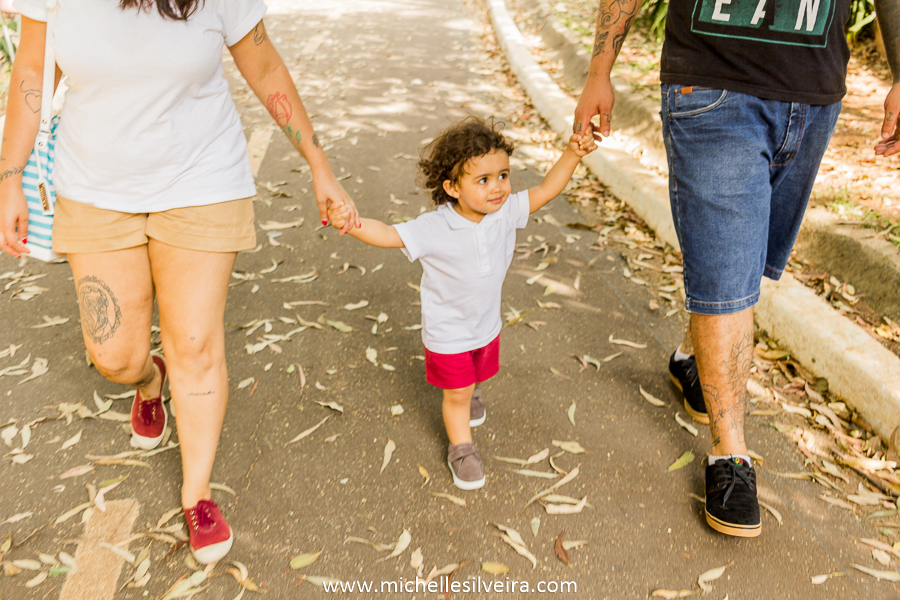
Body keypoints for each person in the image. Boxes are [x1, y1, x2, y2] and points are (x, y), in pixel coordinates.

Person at [0, 0, 358, 563]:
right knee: (114, 357)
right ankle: (148, 379)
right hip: (93, 189)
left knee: (193, 342)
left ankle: (197, 493)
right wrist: (9, 177)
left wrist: (320, 165)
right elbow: (31, 72)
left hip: (202, 181)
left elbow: (264, 67)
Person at [575, 0, 899, 537]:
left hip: (813, 96)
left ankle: (691, 359)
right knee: (728, 271)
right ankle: (731, 457)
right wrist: (599, 73)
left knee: (743, 263)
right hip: (712, 82)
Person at [326, 118, 596, 490]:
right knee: (455, 395)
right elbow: (388, 234)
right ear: (452, 187)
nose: (498, 187)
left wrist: (572, 152)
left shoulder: (504, 212)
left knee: (476, 376)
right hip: (448, 332)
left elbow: (548, 189)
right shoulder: (433, 228)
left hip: (486, 324)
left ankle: (472, 389)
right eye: (483, 180)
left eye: (503, 175)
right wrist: (351, 222)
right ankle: (461, 448)